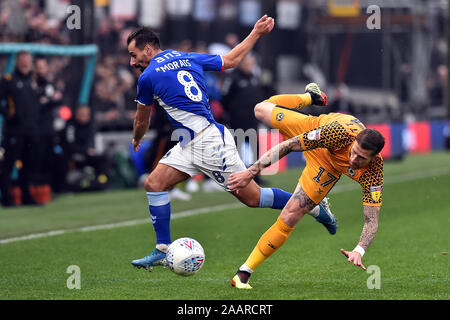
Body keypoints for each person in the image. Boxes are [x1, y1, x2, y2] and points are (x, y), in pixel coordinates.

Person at [127, 15, 336, 269]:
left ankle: (312, 205)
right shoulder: (186, 57)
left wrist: (137, 138)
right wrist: (256, 32)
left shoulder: (147, 77)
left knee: (252, 197)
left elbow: (141, 120)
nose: (132, 61)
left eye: (134, 54)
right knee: (154, 183)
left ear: (148, 48)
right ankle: (162, 249)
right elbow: (233, 59)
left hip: (208, 143)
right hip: (191, 143)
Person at [228, 83, 385, 289]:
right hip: (314, 129)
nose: (353, 158)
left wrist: (359, 250)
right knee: (260, 109)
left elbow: (371, 219)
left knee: (291, 214)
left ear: (374, 158)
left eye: (361, 157)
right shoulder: (338, 133)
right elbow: (288, 146)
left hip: (326, 169)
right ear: (354, 141)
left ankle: (243, 273)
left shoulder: (374, 173)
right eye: (353, 151)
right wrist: (250, 173)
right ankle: (310, 97)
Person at [0, 51, 40, 207]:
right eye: (23, 60)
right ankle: (7, 198)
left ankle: (26, 197)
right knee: (8, 165)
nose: (25, 63)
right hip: (14, 131)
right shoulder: (8, 81)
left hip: (30, 130)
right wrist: (9, 114)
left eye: (28, 60)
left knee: (27, 165)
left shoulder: (32, 81)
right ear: (17, 62)